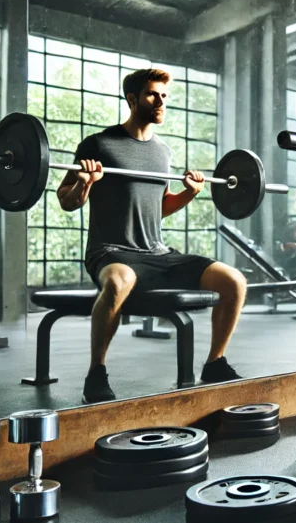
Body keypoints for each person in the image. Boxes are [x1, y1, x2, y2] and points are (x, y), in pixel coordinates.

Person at [57, 68, 248, 404]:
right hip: (111, 252)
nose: (161, 101)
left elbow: (158, 207)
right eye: (152, 95)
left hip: (157, 253)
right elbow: (65, 199)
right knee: (117, 283)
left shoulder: (163, 152)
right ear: (132, 99)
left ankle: (215, 363)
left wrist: (190, 193)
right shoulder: (98, 144)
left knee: (233, 280)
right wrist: (86, 183)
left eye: (164, 96)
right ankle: (96, 372)